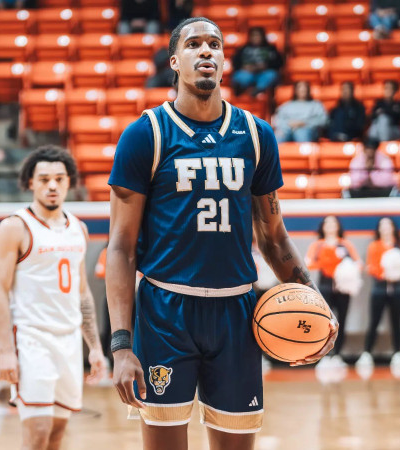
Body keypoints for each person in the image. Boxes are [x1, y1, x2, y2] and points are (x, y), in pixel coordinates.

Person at [106, 17, 338, 450]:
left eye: (215, 43)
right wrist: (121, 345)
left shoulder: (255, 134)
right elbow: (120, 248)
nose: (206, 51)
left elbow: (274, 237)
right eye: (194, 44)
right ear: (176, 61)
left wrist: (315, 301)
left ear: (225, 61)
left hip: (237, 310)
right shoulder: (145, 135)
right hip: (164, 312)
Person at [0, 146, 106, 450]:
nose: (52, 186)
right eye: (43, 179)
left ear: (69, 182)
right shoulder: (14, 227)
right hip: (31, 340)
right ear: (30, 182)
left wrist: (94, 347)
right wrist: (5, 350)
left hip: (68, 342)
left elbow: (82, 291)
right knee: (37, 432)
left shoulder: (78, 228)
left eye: (58, 179)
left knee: (56, 434)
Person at [357, 217, 400, 379]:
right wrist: (383, 274)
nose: (385, 229)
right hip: (379, 289)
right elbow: (370, 266)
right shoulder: (374, 246)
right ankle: (367, 353)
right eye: (382, 226)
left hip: (398, 289)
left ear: (393, 228)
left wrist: (399, 273)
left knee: (396, 321)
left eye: (388, 226)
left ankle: (398, 353)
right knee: (374, 321)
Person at [305, 216, 360, 368]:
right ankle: (323, 355)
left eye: (333, 223)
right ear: (323, 227)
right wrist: (327, 262)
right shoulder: (317, 245)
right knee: (324, 322)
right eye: (327, 223)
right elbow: (308, 264)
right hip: (325, 288)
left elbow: (358, 264)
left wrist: (346, 270)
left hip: (343, 288)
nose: (330, 226)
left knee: (341, 320)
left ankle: (338, 354)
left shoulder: (345, 244)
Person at [231, 27, 282, 97]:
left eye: (258, 35)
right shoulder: (242, 49)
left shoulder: (271, 48)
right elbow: (235, 63)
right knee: (239, 76)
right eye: (253, 35)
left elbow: (279, 63)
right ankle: (241, 93)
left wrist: (265, 66)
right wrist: (244, 67)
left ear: (263, 36)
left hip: (263, 74)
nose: (256, 38)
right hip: (247, 73)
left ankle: (258, 90)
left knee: (272, 75)